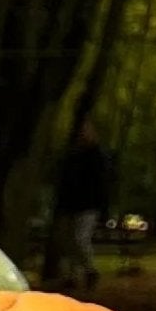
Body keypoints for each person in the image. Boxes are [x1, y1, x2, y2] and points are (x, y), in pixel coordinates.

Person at [49, 120, 111, 289]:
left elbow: (102, 183)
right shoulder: (71, 156)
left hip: (88, 205)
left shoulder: (97, 157)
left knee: (80, 239)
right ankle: (72, 275)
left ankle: (90, 270)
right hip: (70, 205)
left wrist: (102, 207)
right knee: (68, 241)